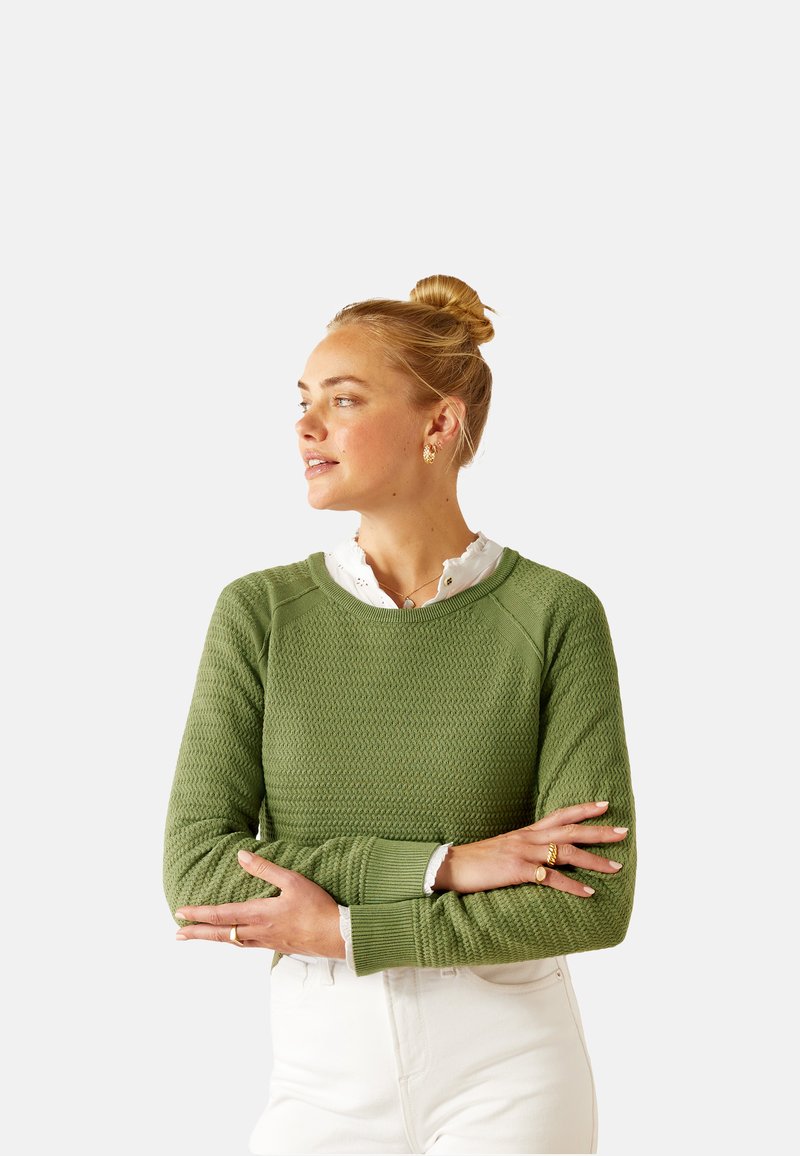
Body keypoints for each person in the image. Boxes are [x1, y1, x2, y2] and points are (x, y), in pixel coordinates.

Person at [162, 274, 636, 1155]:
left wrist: (343, 928)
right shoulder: (260, 614)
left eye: (343, 400)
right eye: (303, 401)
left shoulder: (553, 614)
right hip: (319, 1080)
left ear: (439, 425)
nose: (306, 426)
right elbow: (197, 875)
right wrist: (448, 865)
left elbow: (590, 902)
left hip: (512, 1073)